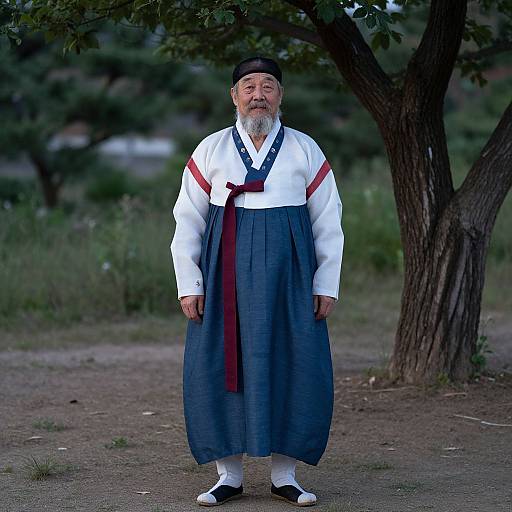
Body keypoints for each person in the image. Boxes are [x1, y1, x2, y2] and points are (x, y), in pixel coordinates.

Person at [170, 56, 344, 507]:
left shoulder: (306, 149)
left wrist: (326, 282)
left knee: (295, 361)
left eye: (268, 86)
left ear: (280, 96)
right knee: (216, 365)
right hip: (223, 271)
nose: (258, 94)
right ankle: (227, 476)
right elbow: (188, 220)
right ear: (234, 96)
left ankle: (285, 475)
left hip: (290, 275)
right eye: (248, 86)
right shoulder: (210, 149)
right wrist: (190, 281)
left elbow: (328, 220)